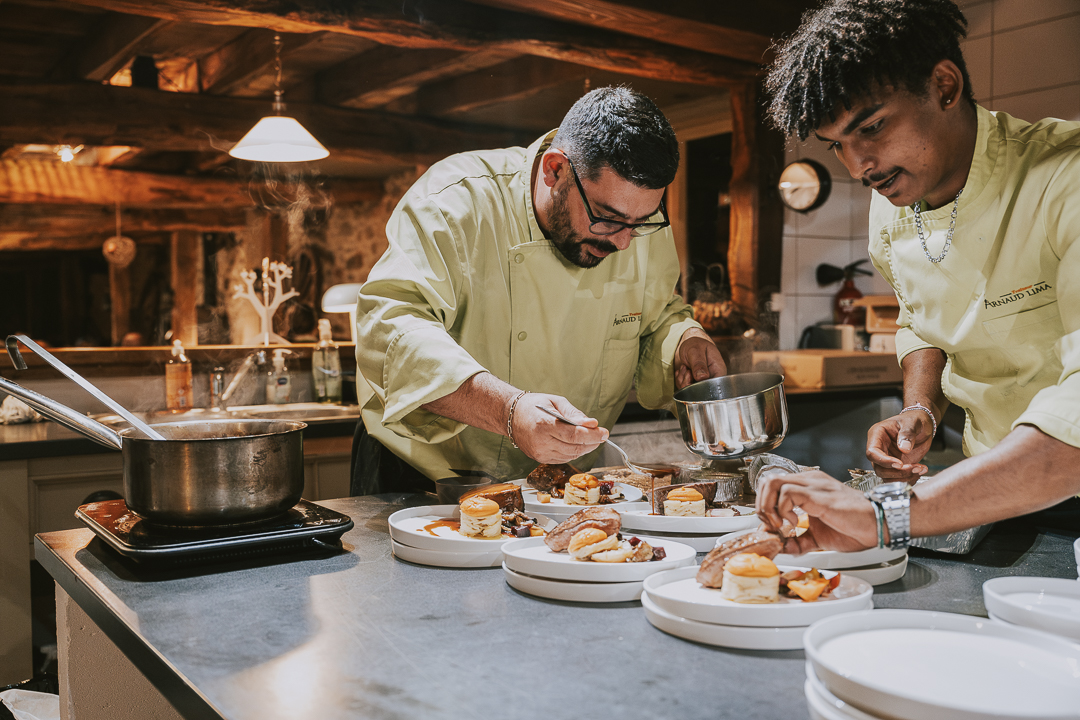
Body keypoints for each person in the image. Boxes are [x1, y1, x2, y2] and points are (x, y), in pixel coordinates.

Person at [755, 0, 1080, 553]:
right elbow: (921, 321)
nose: (857, 167)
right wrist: (920, 406)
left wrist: (888, 515)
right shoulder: (891, 210)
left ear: (945, 86)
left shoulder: (1063, 181)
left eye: (873, 127)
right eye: (838, 145)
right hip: (995, 496)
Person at [351, 86, 726, 495]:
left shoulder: (634, 227)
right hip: (424, 480)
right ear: (554, 170)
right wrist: (508, 411)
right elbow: (391, 327)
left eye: (641, 222)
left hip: (560, 487)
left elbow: (655, 317)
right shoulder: (454, 202)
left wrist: (683, 340)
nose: (623, 242)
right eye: (607, 218)